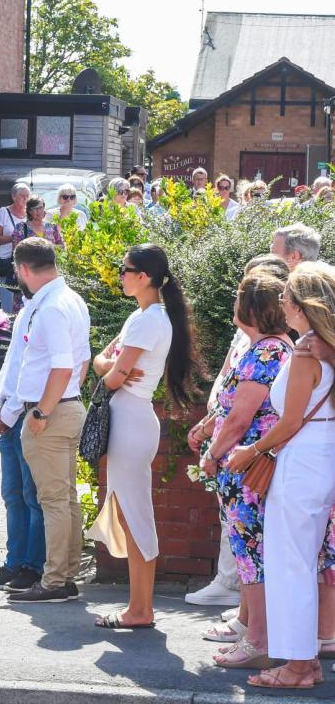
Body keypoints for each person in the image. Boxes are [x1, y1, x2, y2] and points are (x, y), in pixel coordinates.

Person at [228, 262, 335, 689]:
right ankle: (303, 661)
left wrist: (250, 452)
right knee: (302, 562)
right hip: (321, 456)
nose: (282, 304)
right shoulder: (325, 347)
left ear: (303, 304)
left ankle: (298, 667)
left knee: (290, 564)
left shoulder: (308, 350)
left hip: (301, 458)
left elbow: (290, 421)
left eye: (288, 297)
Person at [88, 243, 195, 627]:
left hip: (131, 420)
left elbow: (112, 373)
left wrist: (108, 367)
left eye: (124, 268)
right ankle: (139, 607)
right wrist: (108, 365)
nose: (120, 274)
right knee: (132, 514)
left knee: (135, 517)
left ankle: (140, 609)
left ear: (143, 276)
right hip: (132, 418)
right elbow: (104, 361)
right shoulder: (147, 317)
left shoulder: (146, 320)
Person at [186, 256, 290, 613]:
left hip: (249, 467)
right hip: (245, 465)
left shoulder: (268, 352)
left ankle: (256, 638)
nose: (233, 304)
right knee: (247, 552)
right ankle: (248, 629)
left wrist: (212, 455)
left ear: (251, 309)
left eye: (238, 298)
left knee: (251, 552)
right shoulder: (267, 348)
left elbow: (239, 419)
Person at [3, 238, 91, 603]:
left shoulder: (52, 307)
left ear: (24, 270)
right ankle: (65, 575)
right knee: (65, 499)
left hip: (51, 412)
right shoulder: (70, 299)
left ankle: (55, 580)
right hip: (66, 406)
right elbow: (81, 362)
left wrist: (41, 412)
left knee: (54, 500)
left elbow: (63, 365)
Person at [0, 277, 47, 593]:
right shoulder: (25, 312)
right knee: (12, 494)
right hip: (10, 414)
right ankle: (14, 562)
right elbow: (10, 363)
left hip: (25, 415)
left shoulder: (47, 312)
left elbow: (33, 371)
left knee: (32, 497)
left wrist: (5, 414)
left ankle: (32, 567)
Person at [0, 183, 29, 312]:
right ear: (13, 197)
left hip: (25, 263)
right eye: (22, 196)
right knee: (7, 302)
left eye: (27, 196)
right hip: (7, 262)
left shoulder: (30, 214)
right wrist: (17, 237)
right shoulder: (4, 212)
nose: (25, 199)